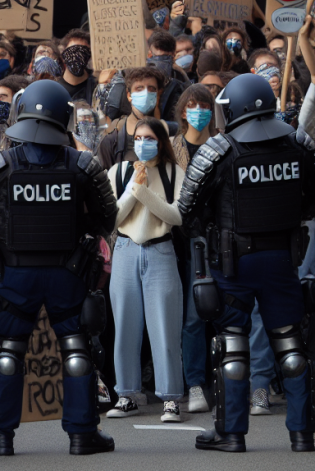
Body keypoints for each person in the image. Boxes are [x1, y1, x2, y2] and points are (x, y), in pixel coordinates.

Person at [0, 79, 117, 456]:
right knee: (77, 349)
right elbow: (106, 216)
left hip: (17, 273)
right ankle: (82, 435)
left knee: (9, 350)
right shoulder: (82, 164)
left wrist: (0, 242)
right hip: (68, 273)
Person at [178, 73, 315, 452]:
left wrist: (209, 228)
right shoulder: (298, 143)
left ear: (233, 106)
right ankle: (303, 434)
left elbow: (187, 209)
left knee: (232, 347)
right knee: (290, 345)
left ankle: (231, 434)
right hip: (283, 259)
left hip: (233, 261)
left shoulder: (219, 149)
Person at [105, 117, 185, 421]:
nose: (143, 143)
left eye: (149, 138)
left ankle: (170, 398)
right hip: (125, 249)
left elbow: (176, 216)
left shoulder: (172, 172)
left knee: (164, 328)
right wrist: (131, 188)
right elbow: (111, 219)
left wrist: (142, 192)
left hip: (160, 249)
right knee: (125, 327)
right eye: (138, 138)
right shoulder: (119, 171)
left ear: (161, 141)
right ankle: (127, 394)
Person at [171, 85, 216, 414]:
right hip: (183, 240)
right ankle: (195, 384)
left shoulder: (222, 145)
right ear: (182, 111)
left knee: (231, 312)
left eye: (205, 105)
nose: (198, 110)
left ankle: (235, 380)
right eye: (192, 105)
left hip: (221, 235)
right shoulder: (172, 148)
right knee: (192, 316)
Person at [97, 67, 167, 170]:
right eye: (139, 88)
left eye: (151, 89)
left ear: (157, 95)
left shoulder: (168, 135)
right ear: (129, 95)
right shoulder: (112, 140)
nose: (146, 93)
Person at [58, 30, 97, 103]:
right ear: (63, 56)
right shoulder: (55, 89)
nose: (78, 56)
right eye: (73, 51)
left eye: (83, 52)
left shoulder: (97, 88)